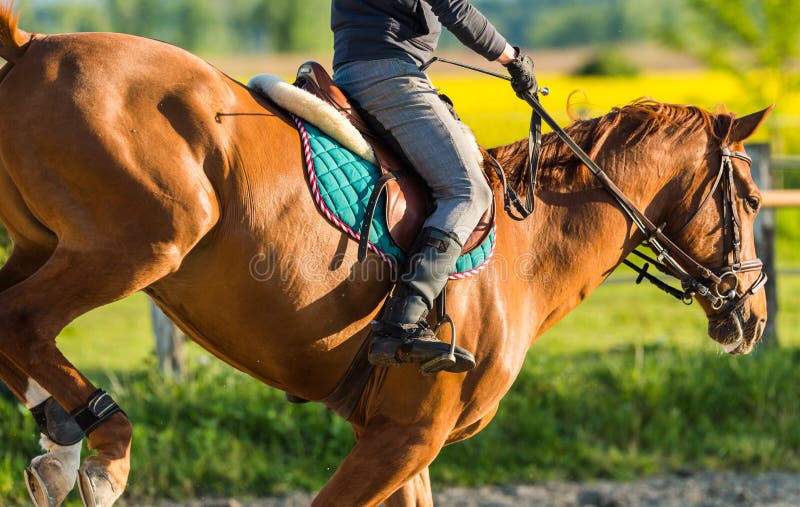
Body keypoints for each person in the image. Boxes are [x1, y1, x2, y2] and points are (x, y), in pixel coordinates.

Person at [331, 0, 537, 374]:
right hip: (388, 73)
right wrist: (512, 58)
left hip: (348, 68)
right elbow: (454, 8)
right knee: (468, 191)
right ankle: (404, 319)